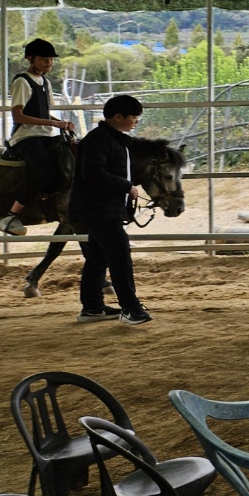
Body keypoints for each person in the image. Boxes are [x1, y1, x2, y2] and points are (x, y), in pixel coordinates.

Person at [69, 95, 152, 326]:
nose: (136, 121)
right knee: (120, 254)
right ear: (118, 117)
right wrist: (127, 187)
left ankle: (92, 307)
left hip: (102, 208)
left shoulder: (113, 139)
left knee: (98, 257)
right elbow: (93, 173)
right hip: (98, 209)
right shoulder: (99, 140)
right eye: (134, 117)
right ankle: (131, 308)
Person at [0, 38, 76, 240]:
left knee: (69, 163)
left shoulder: (45, 82)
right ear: (30, 59)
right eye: (43, 59)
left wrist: (62, 123)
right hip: (26, 137)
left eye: (50, 59)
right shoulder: (22, 81)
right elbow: (18, 116)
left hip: (44, 135)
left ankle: (48, 204)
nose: (48, 63)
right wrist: (53, 125)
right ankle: (11, 216)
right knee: (42, 173)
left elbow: (45, 113)